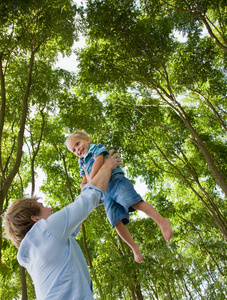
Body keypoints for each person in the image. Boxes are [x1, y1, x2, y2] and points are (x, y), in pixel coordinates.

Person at [5, 151, 123, 300]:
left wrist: (86, 189)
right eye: (43, 206)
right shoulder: (46, 230)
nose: (50, 209)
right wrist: (107, 167)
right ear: (35, 218)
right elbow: (88, 199)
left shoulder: (35, 251)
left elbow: (73, 226)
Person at [66, 130, 173, 263]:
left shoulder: (96, 148)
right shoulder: (81, 162)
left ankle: (162, 221)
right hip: (104, 192)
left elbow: (98, 163)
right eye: (74, 150)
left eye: (78, 143)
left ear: (88, 139)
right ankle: (133, 246)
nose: (78, 150)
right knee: (116, 221)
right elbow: (84, 180)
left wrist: (91, 180)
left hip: (114, 180)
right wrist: (84, 185)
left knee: (133, 202)